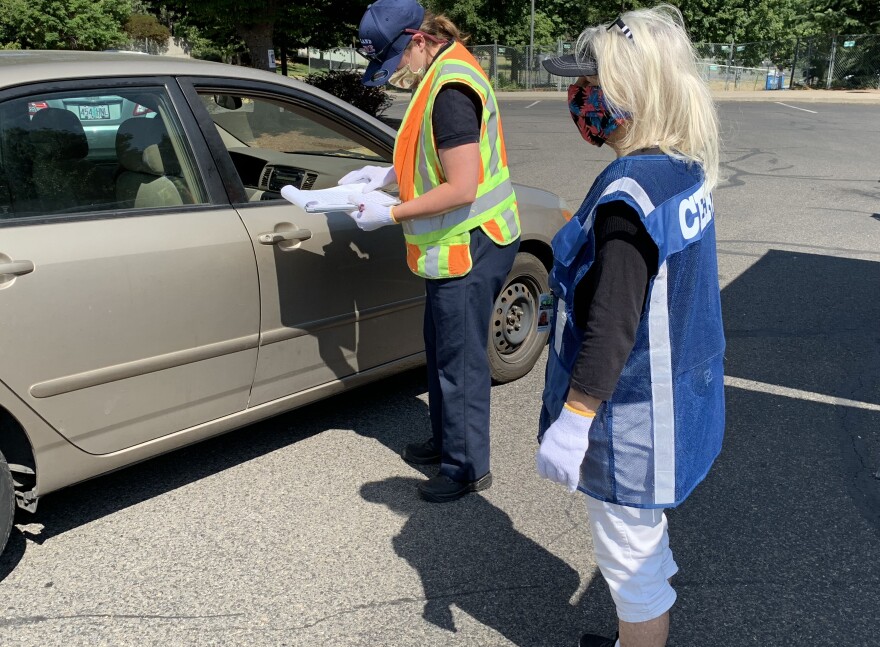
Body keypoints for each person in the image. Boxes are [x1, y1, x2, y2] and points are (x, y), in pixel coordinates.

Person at [535, 6, 725, 647]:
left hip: (635, 417)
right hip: (675, 402)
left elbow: (614, 323)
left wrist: (575, 420)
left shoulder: (629, 193)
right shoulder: (677, 167)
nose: (580, 97)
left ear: (634, 92)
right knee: (641, 536)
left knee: (628, 560)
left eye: (593, 83)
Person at [340, 0, 520, 502]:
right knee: (443, 349)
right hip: (454, 244)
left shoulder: (449, 91)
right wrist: (386, 178)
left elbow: (462, 186)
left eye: (396, 59)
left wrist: (391, 213)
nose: (395, 71)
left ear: (419, 39)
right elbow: (428, 156)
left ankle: (466, 469)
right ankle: (446, 440)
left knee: (459, 361)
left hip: (472, 242)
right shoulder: (441, 71)